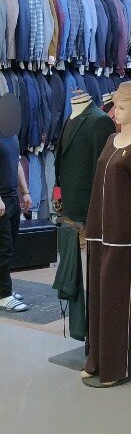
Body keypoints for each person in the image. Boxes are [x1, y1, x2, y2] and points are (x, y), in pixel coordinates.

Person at [0, 131, 34, 313]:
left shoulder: (11, 135)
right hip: (1, 199)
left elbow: (17, 163)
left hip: (12, 198)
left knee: (9, 246)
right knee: (3, 248)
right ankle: (4, 294)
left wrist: (25, 192)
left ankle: (4, 287)